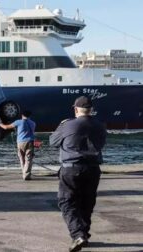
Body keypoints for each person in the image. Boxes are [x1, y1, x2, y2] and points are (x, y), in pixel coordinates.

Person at [49, 96, 106, 252]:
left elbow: (52, 142)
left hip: (71, 168)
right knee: (87, 202)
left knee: (67, 202)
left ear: (75, 109)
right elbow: (101, 143)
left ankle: (78, 235)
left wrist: (61, 128)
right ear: (91, 110)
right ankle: (84, 234)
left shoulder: (67, 125)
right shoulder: (100, 126)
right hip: (93, 168)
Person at [0, 110, 36, 180]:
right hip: (30, 141)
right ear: (30, 116)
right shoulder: (33, 123)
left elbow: (6, 127)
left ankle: (24, 173)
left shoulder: (18, 122)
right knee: (28, 159)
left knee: (21, 158)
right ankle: (26, 174)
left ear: (22, 115)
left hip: (20, 142)